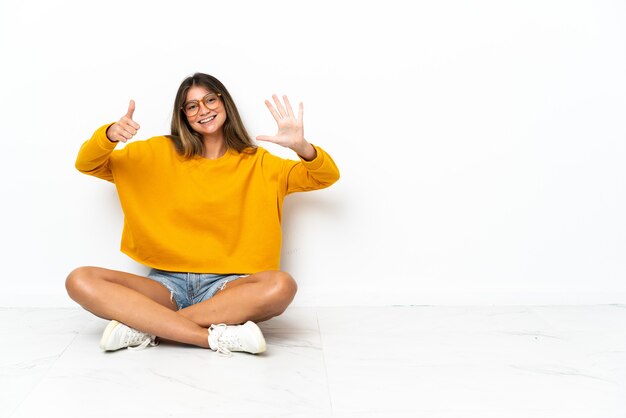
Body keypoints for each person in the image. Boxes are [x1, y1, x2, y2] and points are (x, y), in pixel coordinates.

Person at [66, 73, 340, 356]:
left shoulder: (259, 163)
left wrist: (302, 148)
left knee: (282, 286)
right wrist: (110, 134)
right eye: (192, 106)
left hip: (228, 288)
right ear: (183, 115)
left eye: (210, 99)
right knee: (80, 280)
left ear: (224, 103)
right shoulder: (156, 153)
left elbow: (324, 177)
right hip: (165, 285)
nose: (204, 110)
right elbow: (88, 164)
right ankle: (212, 338)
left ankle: (146, 326)